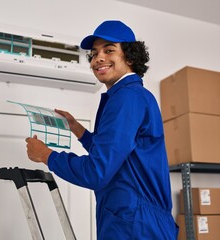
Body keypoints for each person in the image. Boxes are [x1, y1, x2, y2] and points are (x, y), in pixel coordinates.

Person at [26, 20, 179, 240]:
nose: (98, 58)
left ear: (130, 56)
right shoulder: (127, 96)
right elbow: (117, 154)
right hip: (134, 220)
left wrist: (46, 155)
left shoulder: (127, 98)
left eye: (109, 50)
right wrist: (78, 130)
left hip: (136, 226)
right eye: (94, 53)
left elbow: (97, 171)